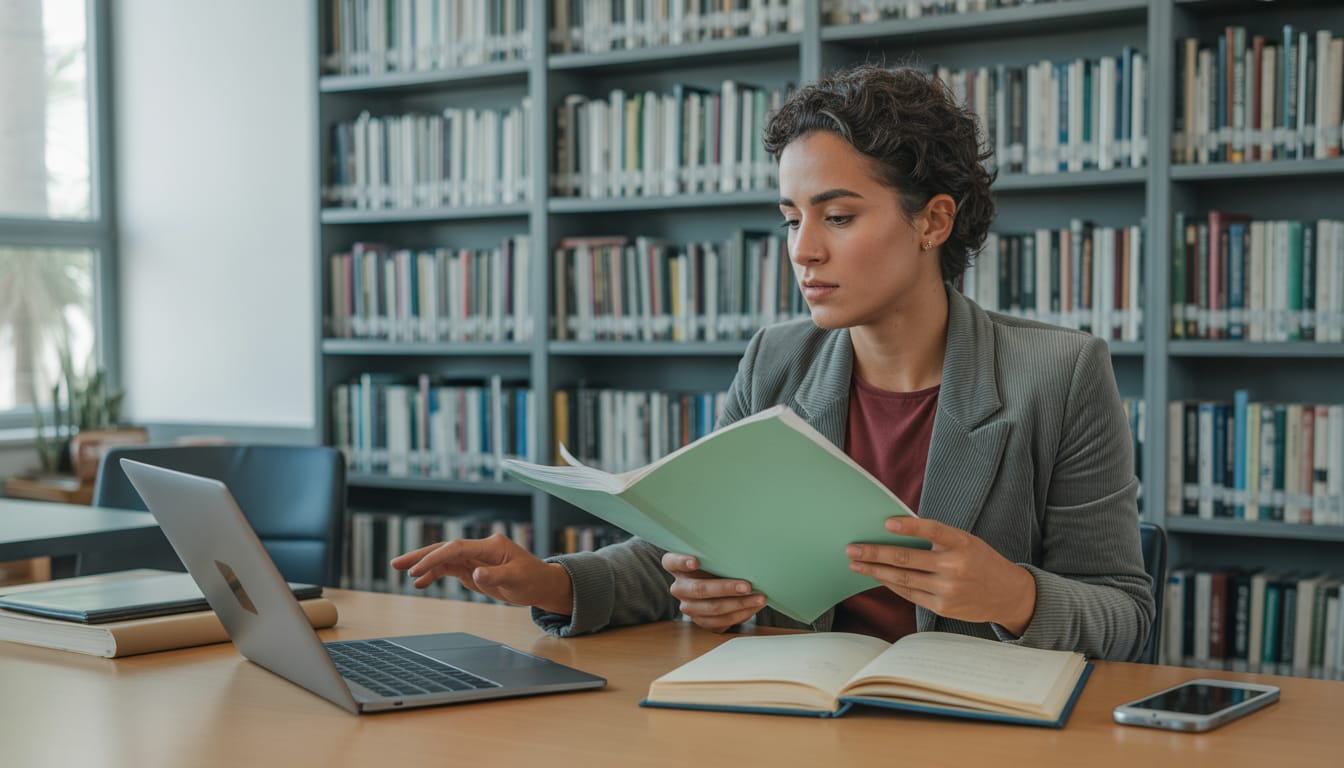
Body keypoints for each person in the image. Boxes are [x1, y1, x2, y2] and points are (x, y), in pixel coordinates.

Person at [392, 64, 1155, 662]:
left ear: (933, 219)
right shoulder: (776, 359)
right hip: (794, 712)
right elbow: (679, 551)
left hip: (970, 731)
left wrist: (1013, 595)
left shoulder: (1060, 373)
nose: (803, 250)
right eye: (791, 219)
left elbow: (1124, 613)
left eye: (839, 216)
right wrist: (552, 582)